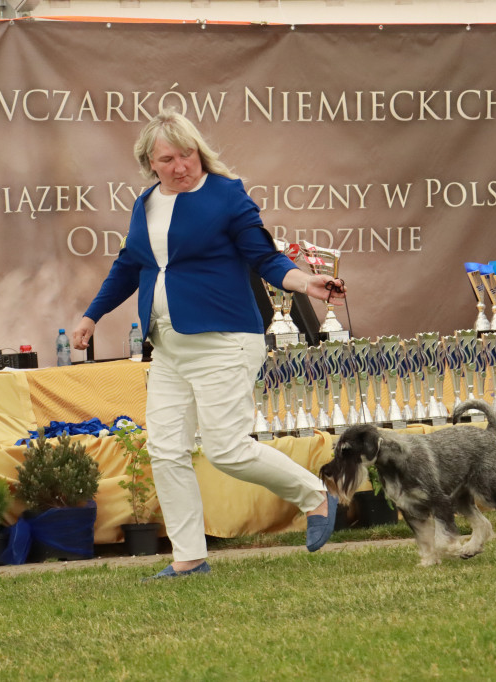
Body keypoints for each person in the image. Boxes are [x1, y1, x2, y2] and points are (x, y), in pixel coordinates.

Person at [71, 109, 346, 580]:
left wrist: (304, 282)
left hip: (225, 342)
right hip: (169, 348)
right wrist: (90, 315)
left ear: (200, 152)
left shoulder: (227, 195)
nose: (181, 165)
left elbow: (264, 256)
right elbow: (127, 266)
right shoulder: (145, 204)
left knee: (227, 449)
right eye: (168, 158)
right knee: (165, 450)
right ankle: (189, 558)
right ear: (149, 164)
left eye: (188, 153)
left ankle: (316, 496)